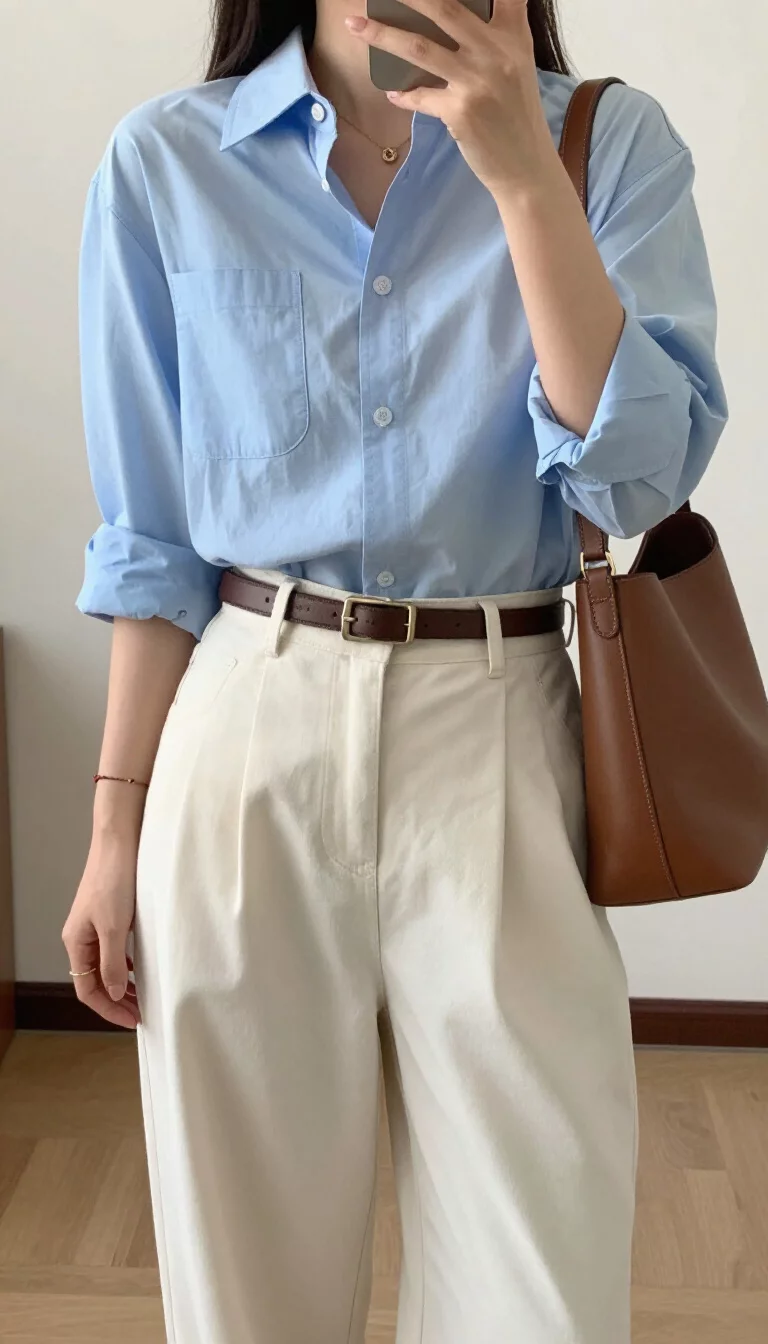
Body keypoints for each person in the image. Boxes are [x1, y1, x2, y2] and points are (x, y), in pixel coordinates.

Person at [62, 1, 728, 1340]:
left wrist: (522, 178)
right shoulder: (166, 162)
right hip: (248, 717)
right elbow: (150, 542)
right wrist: (114, 824)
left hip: (504, 716)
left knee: (543, 1283)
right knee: (242, 1283)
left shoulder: (610, 147)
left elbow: (644, 477)